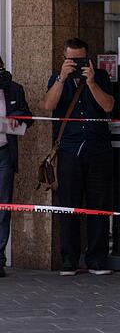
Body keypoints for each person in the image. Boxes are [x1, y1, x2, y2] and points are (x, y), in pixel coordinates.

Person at [42, 38, 115, 276]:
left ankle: (96, 259)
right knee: (68, 205)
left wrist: (91, 81)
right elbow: (48, 105)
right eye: (71, 59)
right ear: (64, 59)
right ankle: (68, 260)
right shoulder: (57, 78)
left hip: (98, 148)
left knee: (99, 205)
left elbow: (108, 106)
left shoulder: (101, 77)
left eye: (80, 59)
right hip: (70, 150)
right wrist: (62, 79)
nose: (76, 63)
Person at [0, 57, 33, 278]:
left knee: (3, 208)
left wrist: (18, 116)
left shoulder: (13, 89)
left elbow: (29, 117)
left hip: (4, 153)